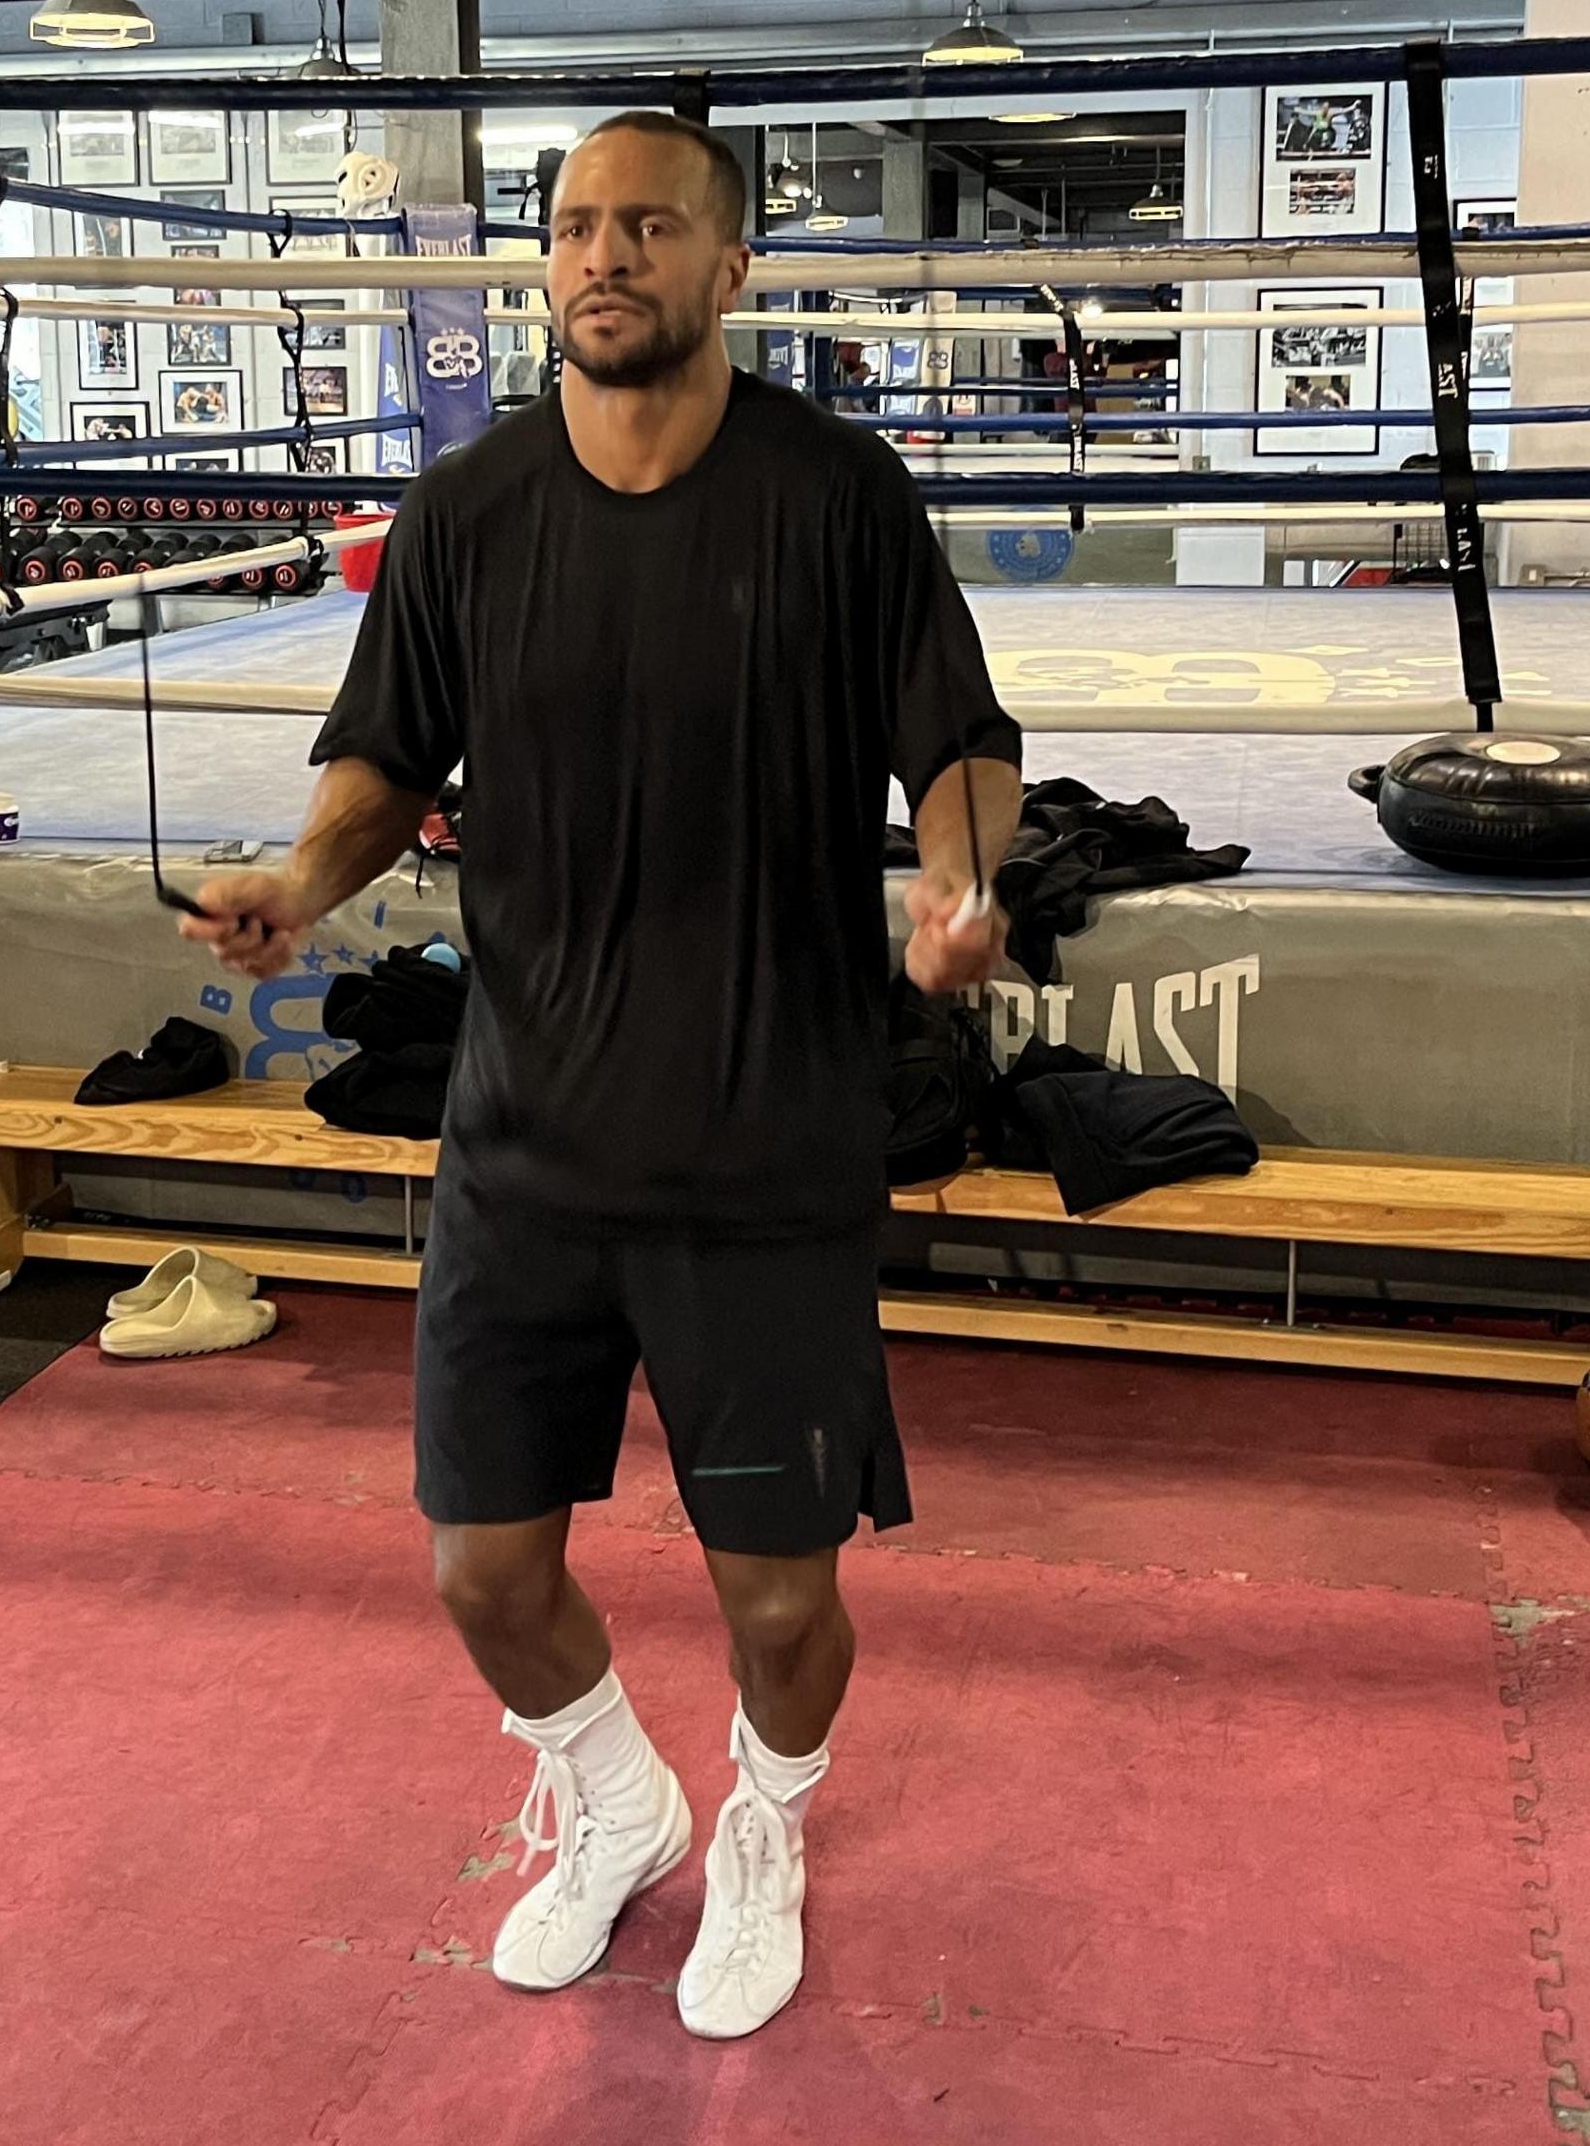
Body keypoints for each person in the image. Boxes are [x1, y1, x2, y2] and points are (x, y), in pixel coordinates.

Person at [179, 110, 1023, 2042]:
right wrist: (299, 888)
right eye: (573, 226)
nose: (604, 256)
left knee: (786, 1607)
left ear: (732, 272)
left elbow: (963, 742)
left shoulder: (836, 500)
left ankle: (767, 1828)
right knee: (482, 1573)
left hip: (764, 1150)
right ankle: (621, 1800)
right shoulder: (469, 515)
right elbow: (386, 759)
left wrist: (965, 883)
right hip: (527, 1143)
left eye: (652, 227)